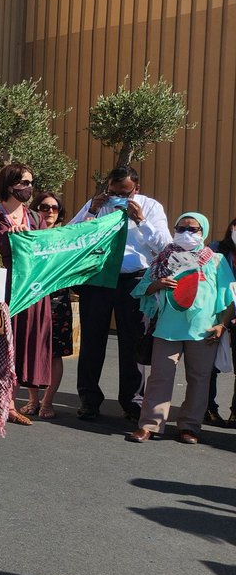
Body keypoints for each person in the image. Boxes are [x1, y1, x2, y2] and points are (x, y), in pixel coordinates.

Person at [69, 166, 171, 421]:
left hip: (134, 279)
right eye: (113, 192)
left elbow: (165, 246)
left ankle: (132, 402)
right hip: (99, 277)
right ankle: (89, 399)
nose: (117, 198)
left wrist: (141, 221)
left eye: (125, 194)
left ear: (136, 189)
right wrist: (91, 212)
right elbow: (72, 236)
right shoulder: (96, 204)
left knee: (133, 342)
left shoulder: (150, 207)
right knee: (92, 340)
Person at [126, 213, 236, 444]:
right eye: (181, 228)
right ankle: (149, 425)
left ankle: (190, 426)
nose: (186, 233)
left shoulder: (215, 260)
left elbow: (229, 298)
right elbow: (141, 288)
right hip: (167, 328)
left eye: (193, 229)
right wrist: (157, 284)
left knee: (199, 379)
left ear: (203, 231)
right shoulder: (164, 258)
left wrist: (221, 324)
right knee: (160, 377)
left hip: (203, 330)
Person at [0, 164, 53, 426]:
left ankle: (10, 404)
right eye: (24, 182)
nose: (29, 187)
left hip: (29, 290)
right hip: (1, 290)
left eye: (30, 182)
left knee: (20, 347)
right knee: (0, 346)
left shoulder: (35, 218)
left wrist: (31, 239)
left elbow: (46, 253)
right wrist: (9, 240)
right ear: (9, 184)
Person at [32, 191, 72, 419]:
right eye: (44, 207)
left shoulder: (67, 238)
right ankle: (33, 400)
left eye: (54, 208)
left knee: (55, 354)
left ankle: (47, 402)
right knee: (31, 349)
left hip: (58, 301)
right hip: (30, 298)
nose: (49, 211)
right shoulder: (27, 235)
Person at [204, 216, 236, 427]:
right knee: (209, 365)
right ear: (232, 228)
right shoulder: (215, 249)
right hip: (217, 313)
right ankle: (208, 408)